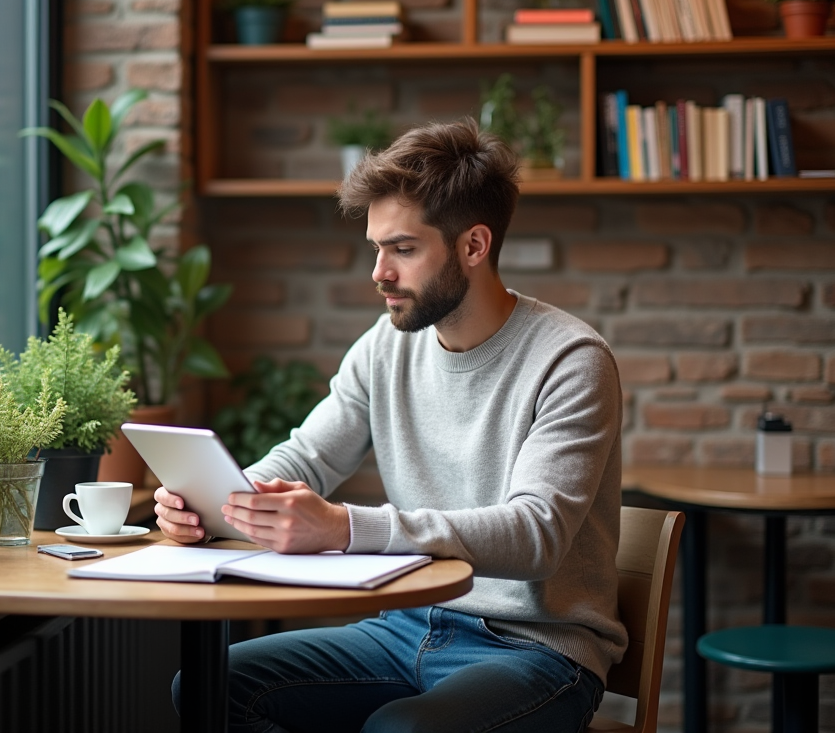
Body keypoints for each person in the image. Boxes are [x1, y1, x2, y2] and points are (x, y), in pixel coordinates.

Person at [156, 118, 626, 732]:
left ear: (473, 246)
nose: (379, 272)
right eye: (376, 248)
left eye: (402, 249)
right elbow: (306, 457)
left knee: (399, 731)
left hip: (536, 650)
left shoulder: (570, 361)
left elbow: (536, 535)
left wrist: (345, 526)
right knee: (210, 689)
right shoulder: (386, 347)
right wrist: (217, 499)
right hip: (407, 624)